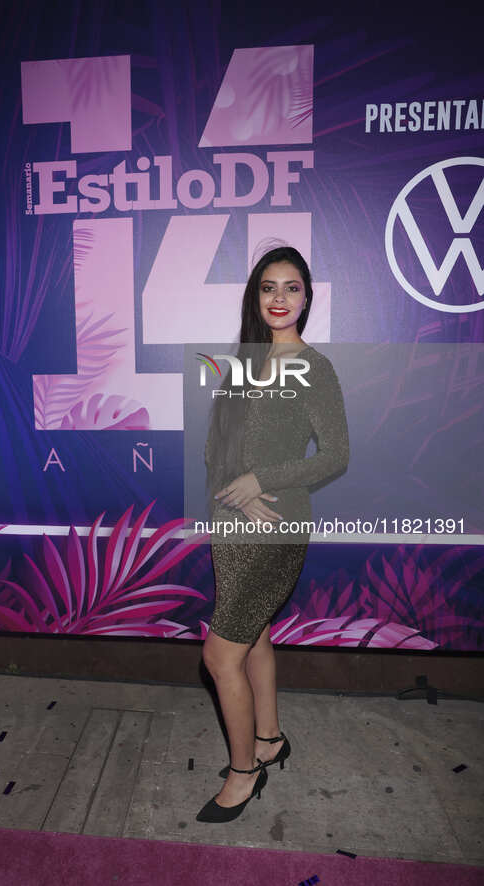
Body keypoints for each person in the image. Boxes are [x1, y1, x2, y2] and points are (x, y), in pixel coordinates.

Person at [196, 245, 349, 823]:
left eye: (291, 288)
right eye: (268, 287)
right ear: (254, 297)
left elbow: (336, 455)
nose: (279, 299)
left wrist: (266, 480)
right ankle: (270, 737)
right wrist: (236, 487)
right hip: (232, 522)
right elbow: (216, 448)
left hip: (276, 527)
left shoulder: (316, 368)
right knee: (253, 634)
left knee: (218, 655)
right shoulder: (242, 361)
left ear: (307, 298)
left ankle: (244, 773)